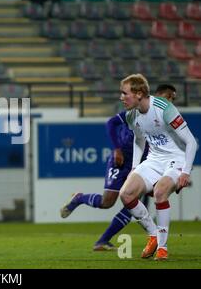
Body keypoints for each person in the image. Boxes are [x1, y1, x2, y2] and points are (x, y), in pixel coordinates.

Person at [60, 84, 177, 251]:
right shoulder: (138, 111)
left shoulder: (169, 120)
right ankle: (79, 198)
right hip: (121, 160)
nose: (170, 102)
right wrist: (116, 148)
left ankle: (103, 241)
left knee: (133, 204)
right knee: (107, 202)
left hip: (143, 166)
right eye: (168, 97)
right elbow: (111, 123)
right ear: (157, 97)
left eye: (173, 99)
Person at [119, 74, 197, 261]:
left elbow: (191, 142)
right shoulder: (131, 115)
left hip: (176, 159)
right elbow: (139, 140)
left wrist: (185, 172)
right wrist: (135, 167)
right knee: (126, 193)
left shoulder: (164, 109)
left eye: (125, 93)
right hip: (154, 159)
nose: (121, 97)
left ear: (139, 93)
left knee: (160, 192)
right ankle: (153, 234)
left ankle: (162, 248)